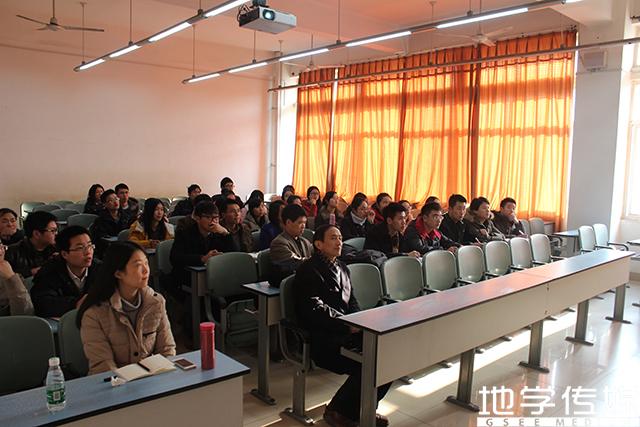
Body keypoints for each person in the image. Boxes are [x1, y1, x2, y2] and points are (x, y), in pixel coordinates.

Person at [294, 225, 391, 427]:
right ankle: (338, 411)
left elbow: (352, 301)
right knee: (369, 362)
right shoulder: (308, 269)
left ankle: (362, 410)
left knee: (387, 357)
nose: (339, 242)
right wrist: (346, 324)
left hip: (348, 330)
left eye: (340, 237)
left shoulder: (343, 268)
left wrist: (360, 321)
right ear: (318, 244)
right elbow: (314, 308)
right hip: (325, 337)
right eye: (333, 238)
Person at [77, 241, 175, 375]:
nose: (146, 270)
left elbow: (167, 349)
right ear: (118, 273)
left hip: (152, 380)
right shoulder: (94, 314)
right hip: (114, 383)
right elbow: (103, 366)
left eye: (146, 263)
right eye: (138, 265)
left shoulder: (156, 302)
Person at [30, 226, 101, 318]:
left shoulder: (101, 269)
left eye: (90, 246)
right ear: (64, 254)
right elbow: (42, 303)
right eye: (80, 248)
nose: (88, 252)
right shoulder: (49, 271)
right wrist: (75, 303)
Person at [170, 201, 228, 290]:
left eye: (216, 218)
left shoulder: (219, 233)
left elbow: (233, 254)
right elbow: (175, 258)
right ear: (197, 218)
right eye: (208, 217)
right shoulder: (184, 233)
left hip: (215, 274)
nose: (213, 221)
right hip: (188, 275)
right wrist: (202, 258)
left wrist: (226, 233)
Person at [269, 204, 313, 287]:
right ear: (288, 222)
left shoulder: (305, 241)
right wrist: (315, 261)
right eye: (300, 222)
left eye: (304, 222)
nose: (303, 226)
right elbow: (294, 262)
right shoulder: (279, 243)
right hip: (290, 285)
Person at [5, 211, 57, 278]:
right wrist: (31, 272)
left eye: (56, 230)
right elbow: (7, 278)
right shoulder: (12, 253)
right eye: (52, 231)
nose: (56, 233)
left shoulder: (58, 249)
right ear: (36, 234)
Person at [91, 189, 131, 257]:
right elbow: (101, 239)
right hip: (108, 249)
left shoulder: (126, 216)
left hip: (126, 246)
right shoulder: (100, 220)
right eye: (110, 200)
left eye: (116, 199)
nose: (115, 202)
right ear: (105, 204)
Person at [0, 243, 33, 315]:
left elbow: (24, 314)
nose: (1, 251)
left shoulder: (12, 277)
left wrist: (11, 279)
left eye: (1, 246)